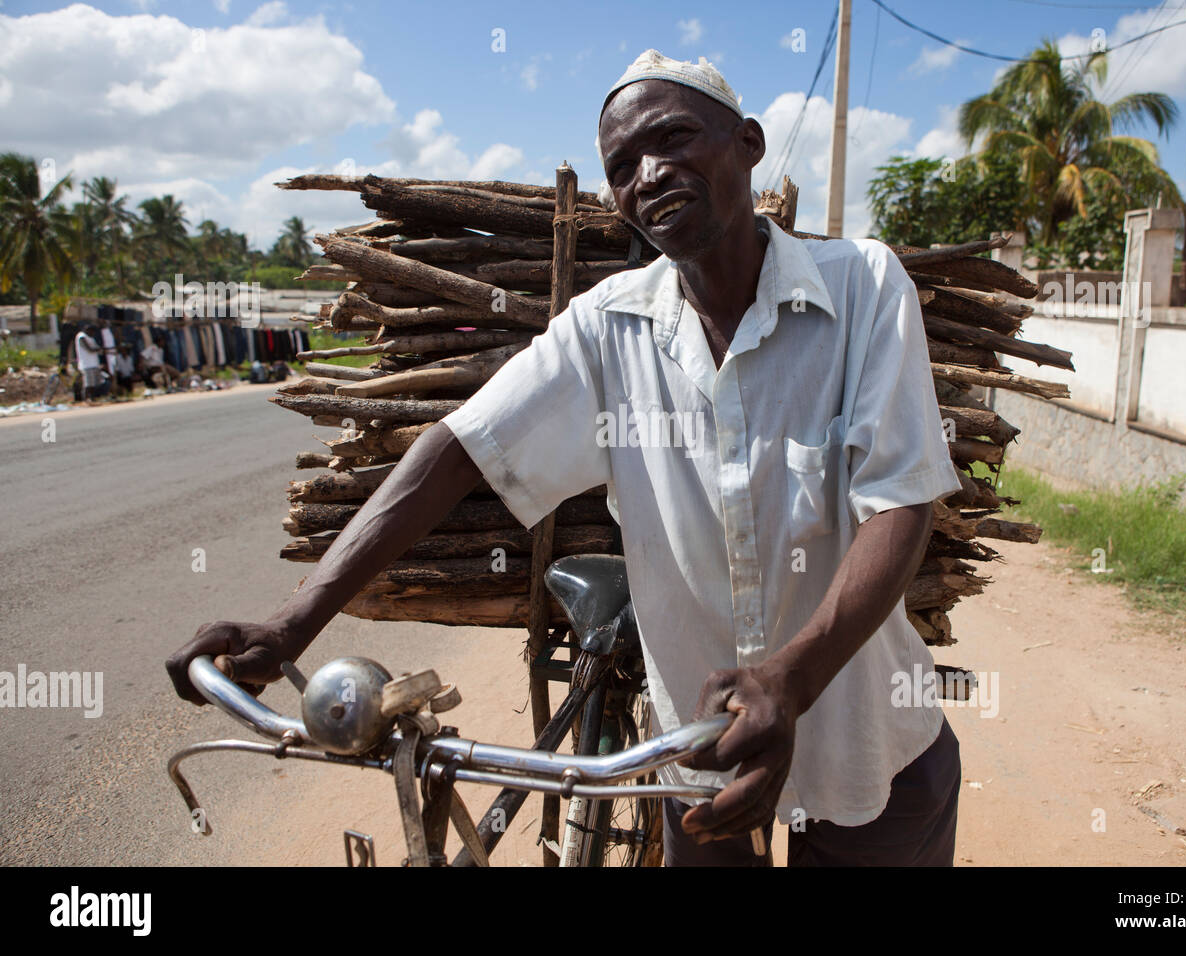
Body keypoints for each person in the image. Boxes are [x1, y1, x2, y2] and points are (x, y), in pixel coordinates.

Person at [166, 50, 964, 867]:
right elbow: (461, 451)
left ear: (749, 143)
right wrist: (294, 622)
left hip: (872, 745)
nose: (649, 174)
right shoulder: (607, 325)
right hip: (693, 757)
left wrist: (790, 680)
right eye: (622, 166)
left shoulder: (863, 287)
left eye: (673, 138)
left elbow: (900, 502)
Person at [70, 323, 109, 401]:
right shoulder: (81, 337)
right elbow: (90, 349)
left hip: (94, 364)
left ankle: (92, 398)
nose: (93, 333)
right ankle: (85, 399)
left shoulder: (91, 338)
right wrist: (99, 349)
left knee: (94, 384)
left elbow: (97, 349)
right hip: (86, 364)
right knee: (88, 384)